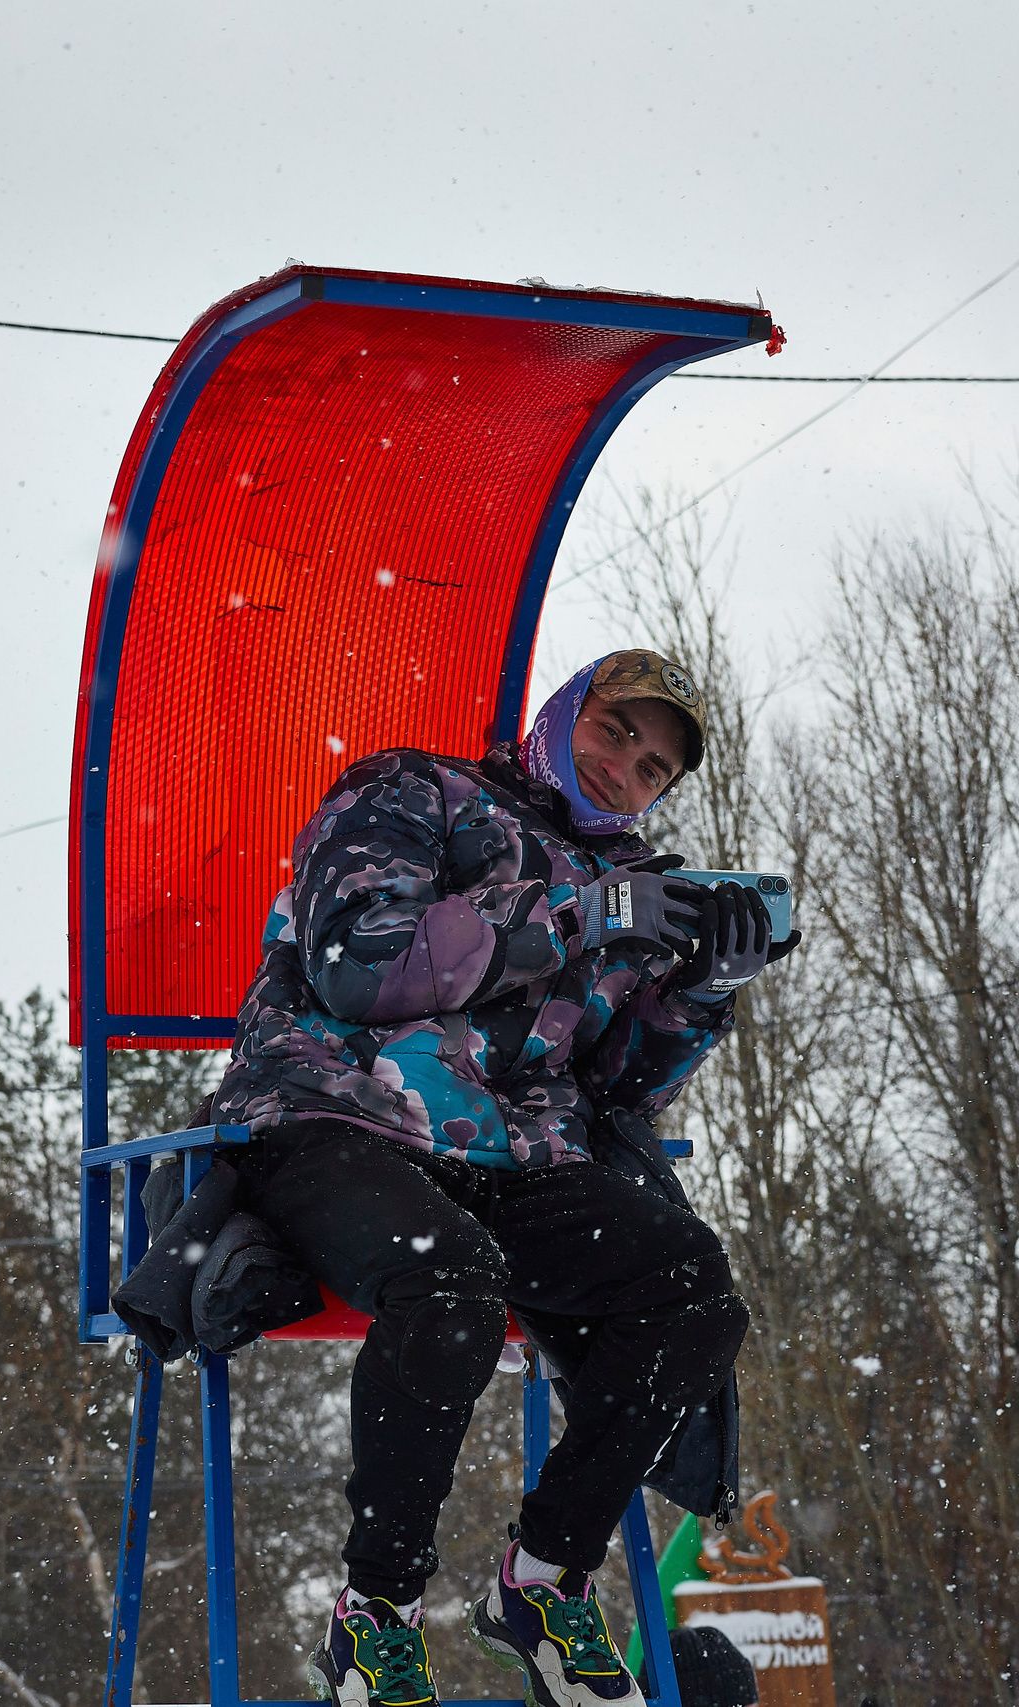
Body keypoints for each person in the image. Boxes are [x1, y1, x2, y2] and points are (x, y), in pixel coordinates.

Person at [202, 648, 796, 1707]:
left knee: (692, 1293)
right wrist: (583, 918)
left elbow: (615, 1083)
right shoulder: (413, 792)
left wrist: (702, 989)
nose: (627, 769)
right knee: (450, 1283)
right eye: (616, 731)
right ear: (563, 713)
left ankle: (544, 1577)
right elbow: (359, 962)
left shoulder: (633, 887)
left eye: (655, 767)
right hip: (331, 1114)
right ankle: (373, 1612)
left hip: (507, 1154)